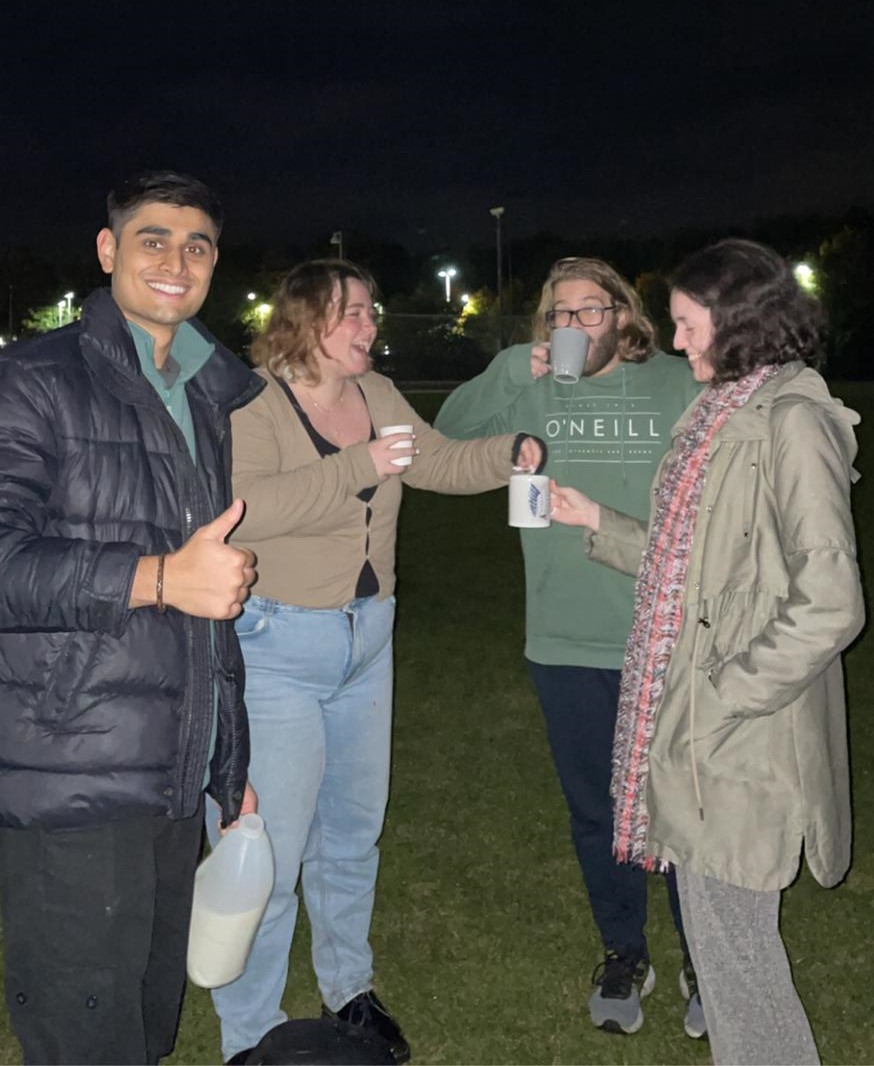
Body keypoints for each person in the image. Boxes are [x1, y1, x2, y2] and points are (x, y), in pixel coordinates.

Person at [210, 258, 545, 1065]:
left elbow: (431, 460)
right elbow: (245, 512)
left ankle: (348, 990)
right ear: (303, 321)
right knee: (272, 848)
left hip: (368, 638)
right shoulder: (253, 401)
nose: (369, 326)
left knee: (353, 835)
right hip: (277, 643)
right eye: (351, 313)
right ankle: (250, 1031)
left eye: (370, 311)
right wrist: (359, 466)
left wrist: (511, 451)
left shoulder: (379, 395)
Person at [551, 238, 863, 1065]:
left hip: (741, 742)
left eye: (689, 325)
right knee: (729, 971)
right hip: (696, 728)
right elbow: (701, 562)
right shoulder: (726, 409)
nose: (678, 340)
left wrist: (725, 691)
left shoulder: (792, 422)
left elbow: (830, 601)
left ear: (736, 323)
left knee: (742, 968)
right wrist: (601, 525)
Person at [0, 171, 263, 1066]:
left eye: (197, 245)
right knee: (85, 1034)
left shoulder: (202, 391)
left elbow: (210, 595)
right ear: (108, 251)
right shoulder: (31, 381)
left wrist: (229, 763)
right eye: (152, 238)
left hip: (170, 771)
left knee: (148, 1022)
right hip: (69, 764)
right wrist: (154, 577)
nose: (176, 260)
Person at [435, 257, 704, 1036]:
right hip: (563, 638)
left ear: (625, 313)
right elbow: (444, 433)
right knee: (597, 813)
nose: (576, 325)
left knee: (684, 814)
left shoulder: (674, 383)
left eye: (592, 309)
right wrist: (507, 369)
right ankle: (625, 950)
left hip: (665, 635)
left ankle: (704, 955)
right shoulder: (531, 385)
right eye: (560, 313)